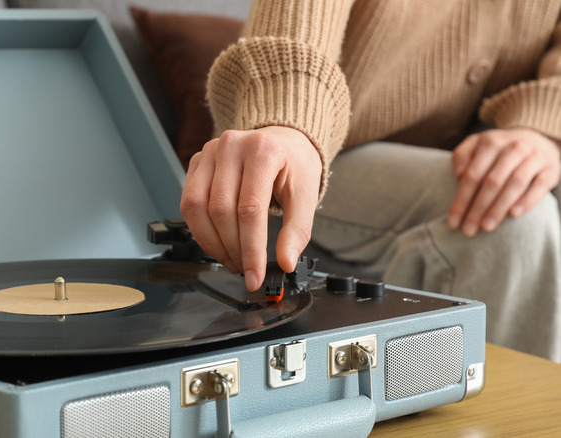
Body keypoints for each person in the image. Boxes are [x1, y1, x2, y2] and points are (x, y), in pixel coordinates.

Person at [180, 0, 561, 363]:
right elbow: (297, 27)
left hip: (463, 149)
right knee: (519, 216)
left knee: (523, 189)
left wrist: (543, 126)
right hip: (327, 149)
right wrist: (287, 123)